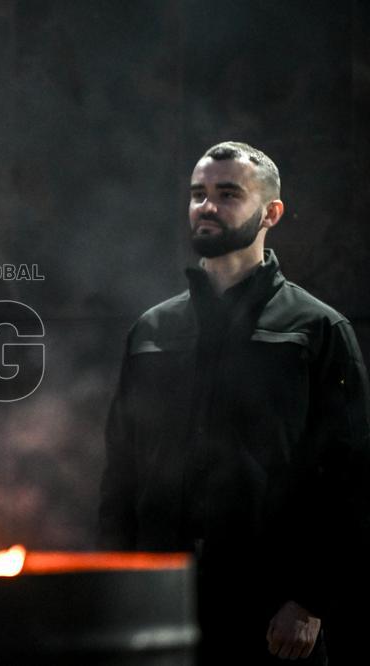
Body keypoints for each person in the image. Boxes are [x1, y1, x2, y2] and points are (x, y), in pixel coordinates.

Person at [98, 141, 370, 664]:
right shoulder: (153, 330)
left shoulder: (316, 330)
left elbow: (351, 479)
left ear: (271, 213)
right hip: (163, 604)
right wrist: (115, 583)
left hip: (271, 614)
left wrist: (310, 600)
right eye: (198, 194)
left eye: (228, 194)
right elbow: (121, 472)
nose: (207, 206)